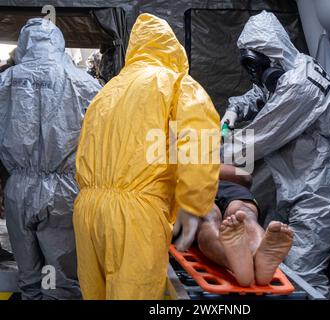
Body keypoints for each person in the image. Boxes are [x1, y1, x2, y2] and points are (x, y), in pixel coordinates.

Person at [73, 13, 220, 300]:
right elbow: (199, 143)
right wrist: (194, 205)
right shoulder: (177, 84)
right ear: (172, 48)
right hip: (136, 215)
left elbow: (85, 147)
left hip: (87, 211)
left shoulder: (107, 92)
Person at [221, 11, 330, 298]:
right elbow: (260, 93)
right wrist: (234, 109)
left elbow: (255, 141)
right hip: (294, 187)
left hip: (317, 193)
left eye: (258, 65)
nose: (257, 74)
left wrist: (203, 154)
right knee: (279, 271)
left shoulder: (299, 87)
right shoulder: (294, 66)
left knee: (304, 279)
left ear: (272, 54)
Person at [0, 18, 101, 299]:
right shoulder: (85, 84)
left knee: (29, 277)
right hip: (64, 194)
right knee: (62, 281)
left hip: (18, 191)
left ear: (23, 45)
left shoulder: (6, 81)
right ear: (58, 44)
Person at [194, 164, 293, 287]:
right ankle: (242, 264)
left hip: (227, 187)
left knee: (243, 213)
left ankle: (257, 258)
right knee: (207, 216)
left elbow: (245, 178)